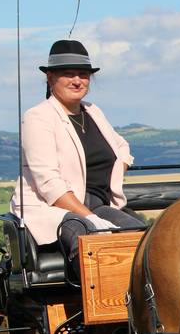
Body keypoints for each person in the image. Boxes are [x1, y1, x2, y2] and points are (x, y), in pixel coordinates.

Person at [10, 39, 145, 267]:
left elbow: (122, 148)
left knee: (142, 236)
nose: (77, 81)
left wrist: (114, 175)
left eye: (83, 74)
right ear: (50, 78)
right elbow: (50, 184)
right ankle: (96, 301)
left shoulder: (93, 112)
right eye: (68, 74)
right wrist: (91, 218)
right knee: (91, 240)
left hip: (97, 204)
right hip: (52, 207)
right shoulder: (38, 117)